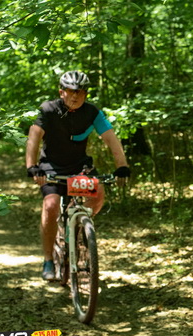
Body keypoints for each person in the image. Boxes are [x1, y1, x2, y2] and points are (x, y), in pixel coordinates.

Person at [26, 70, 130, 281]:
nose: (75, 96)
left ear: (86, 94)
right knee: (51, 205)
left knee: (98, 194)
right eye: (71, 91)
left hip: (79, 167)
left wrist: (122, 166)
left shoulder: (92, 113)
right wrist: (32, 166)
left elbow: (111, 139)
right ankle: (48, 259)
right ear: (61, 92)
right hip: (51, 168)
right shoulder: (48, 109)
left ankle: (79, 226)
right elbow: (33, 138)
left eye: (80, 92)